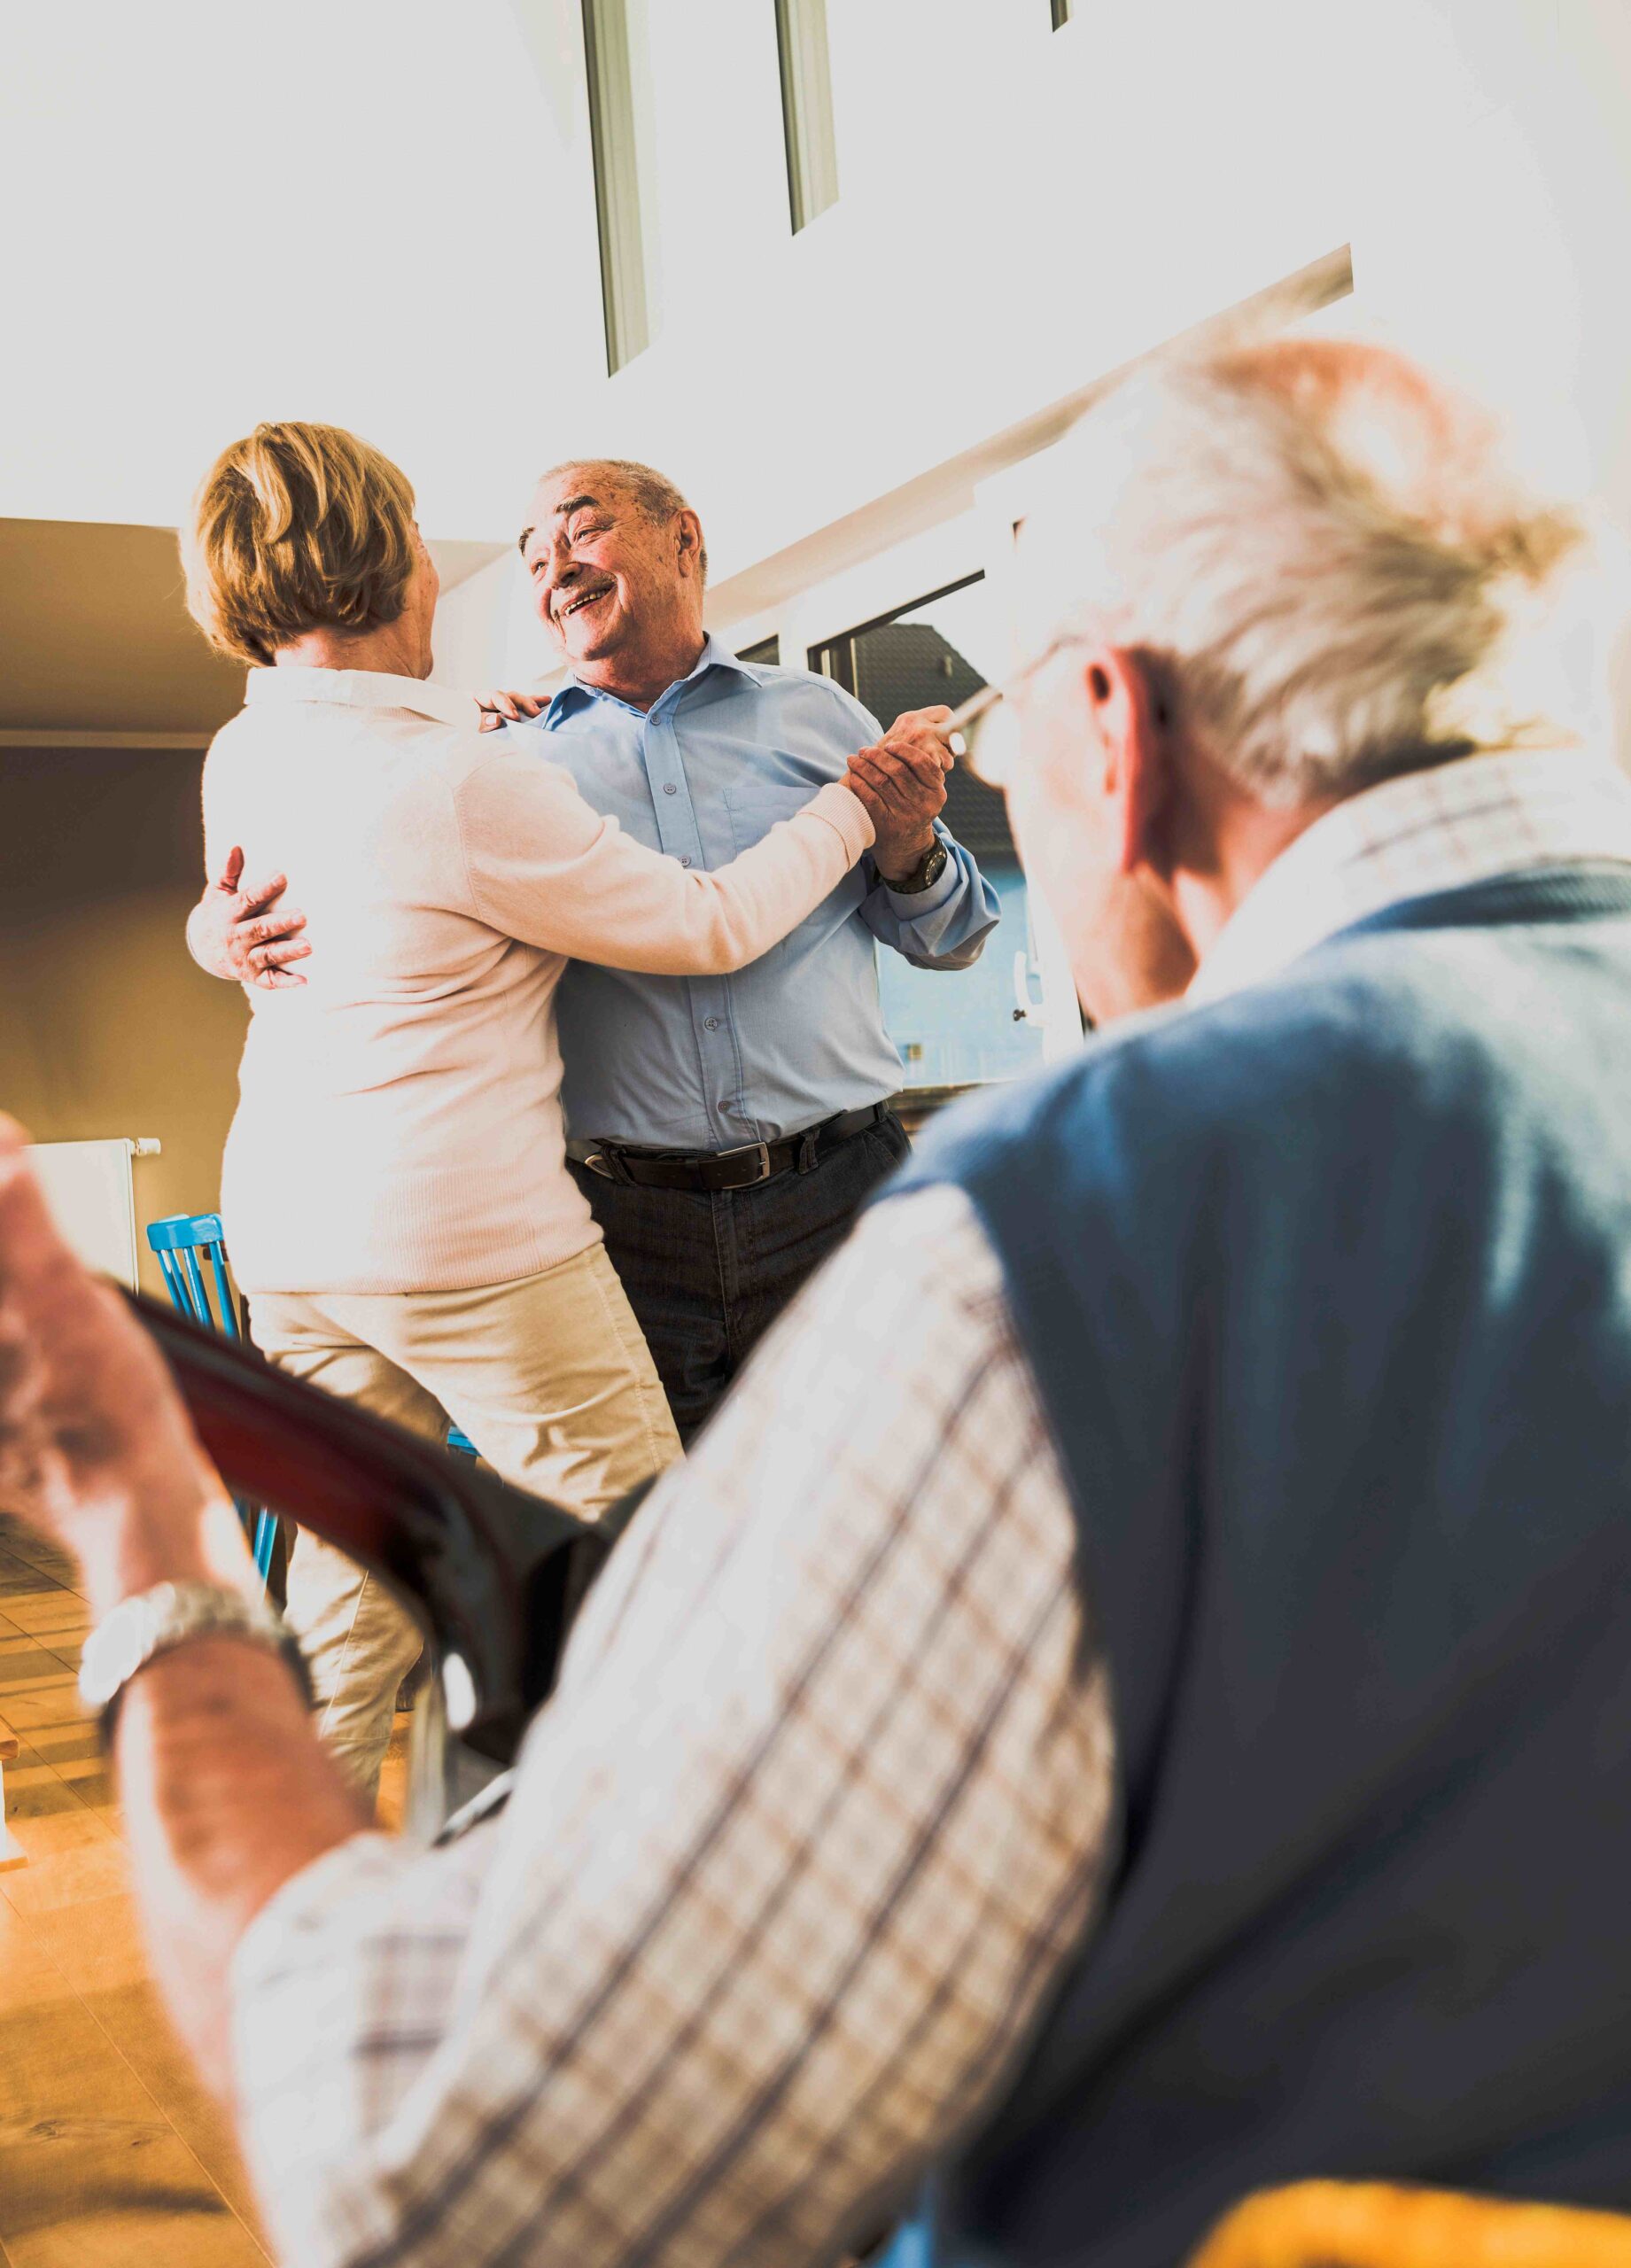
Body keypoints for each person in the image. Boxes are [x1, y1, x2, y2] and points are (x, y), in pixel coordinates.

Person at [10, 334, 1631, 2268]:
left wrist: (126, 1492)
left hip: (804, 1198)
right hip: (604, 1218)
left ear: (1106, 730)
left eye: (1015, 721)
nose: (537, 559)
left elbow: (452, 2199)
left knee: (613, 1610)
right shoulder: (491, 762)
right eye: (514, 537)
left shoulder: (1061, 1233)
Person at [182, 418, 891, 1796]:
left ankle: (292, 1926)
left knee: (350, 1597)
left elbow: (281, 908)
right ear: (395, 565)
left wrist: (216, 938)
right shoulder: (464, 777)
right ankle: (634, 1915)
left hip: (292, 1241)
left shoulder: (246, 754)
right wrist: (856, 808)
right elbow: (711, 922)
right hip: (462, 1235)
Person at [193, 457, 1000, 1441]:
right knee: (664, 1548)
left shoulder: (821, 719)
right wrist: (219, 933)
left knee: (891, 1493)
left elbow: (952, 938)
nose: (554, 568)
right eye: (533, 555)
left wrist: (909, 844)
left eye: (580, 531)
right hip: (628, 1227)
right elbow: (339, 894)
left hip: (840, 1194)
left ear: (682, 541)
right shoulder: (500, 764)